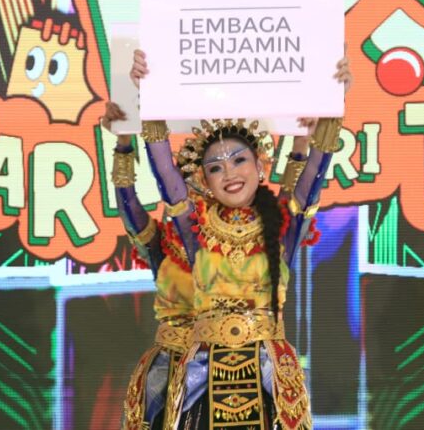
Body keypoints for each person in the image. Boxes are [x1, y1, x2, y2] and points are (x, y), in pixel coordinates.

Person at [125, 49, 351, 430]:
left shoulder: (282, 225)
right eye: (215, 167)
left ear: (260, 167)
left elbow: (314, 171)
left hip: (267, 376)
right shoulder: (196, 229)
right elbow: (166, 176)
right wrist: (148, 98)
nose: (229, 172)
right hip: (203, 375)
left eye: (239, 160)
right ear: (205, 181)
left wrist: (334, 105)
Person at [103, 114, 195, 430]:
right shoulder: (161, 245)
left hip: (230, 358)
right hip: (170, 361)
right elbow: (128, 206)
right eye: (185, 184)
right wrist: (123, 143)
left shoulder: (239, 242)